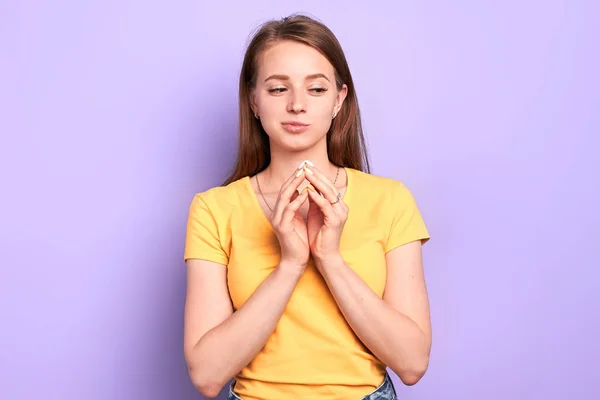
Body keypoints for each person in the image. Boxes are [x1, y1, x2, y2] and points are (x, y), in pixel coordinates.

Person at [183, 14, 432, 400]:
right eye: (278, 89)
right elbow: (207, 375)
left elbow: (412, 363)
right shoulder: (213, 209)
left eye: (316, 89)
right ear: (254, 101)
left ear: (339, 100)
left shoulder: (391, 200)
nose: (297, 105)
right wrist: (291, 264)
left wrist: (329, 258)